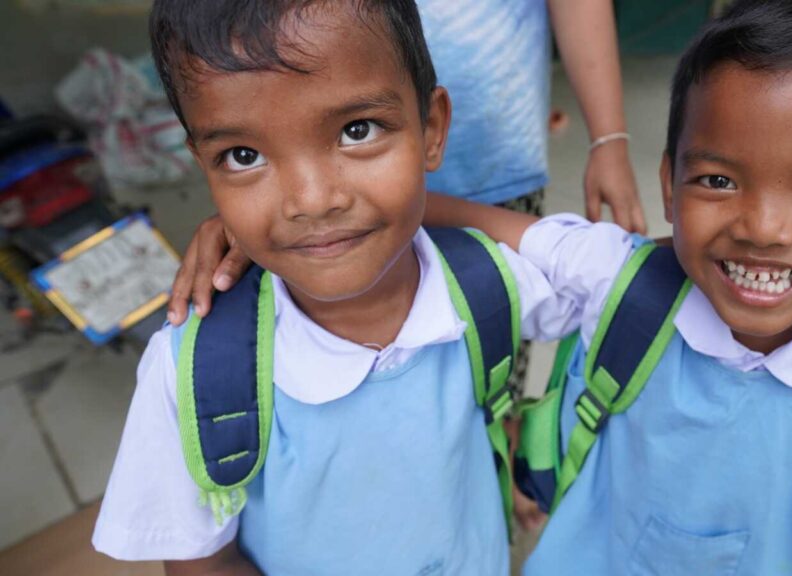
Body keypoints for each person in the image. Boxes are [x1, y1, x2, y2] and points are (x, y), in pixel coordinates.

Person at [423, 1, 792, 574]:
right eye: (717, 180)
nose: (762, 230)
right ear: (669, 183)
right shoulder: (614, 275)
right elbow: (459, 218)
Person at [91, 1, 579, 573]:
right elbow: (204, 564)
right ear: (204, 165)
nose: (313, 200)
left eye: (356, 130)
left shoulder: (489, 284)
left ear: (432, 129)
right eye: (243, 156)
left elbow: (618, 274)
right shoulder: (193, 372)